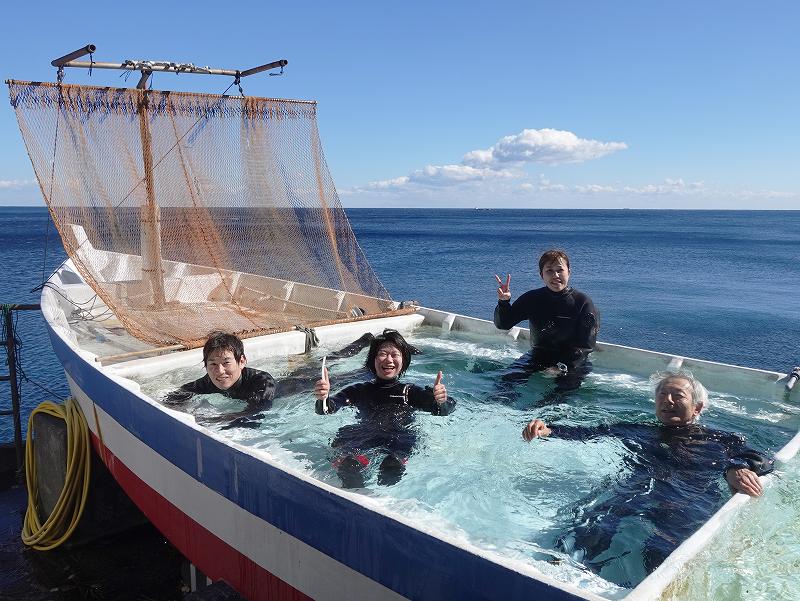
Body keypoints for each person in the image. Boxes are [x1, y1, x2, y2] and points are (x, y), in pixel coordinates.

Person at [521, 372, 773, 581]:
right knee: (585, 531)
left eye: (677, 395)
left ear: (697, 407)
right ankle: (554, 581)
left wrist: (736, 466)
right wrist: (550, 430)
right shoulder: (640, 431)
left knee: (661, 556)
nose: (668, 400)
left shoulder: (722, 440)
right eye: (662, 394)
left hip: (689, 498)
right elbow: (592, 432)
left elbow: (763, 459)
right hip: (635, 490)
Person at [314, 329, 456, 488]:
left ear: (403, 361)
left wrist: (441, 400)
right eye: (382, 354)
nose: (389, 360)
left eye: (395, 355)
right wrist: (323, 398)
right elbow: (327, 408)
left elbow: (444, 409)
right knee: (348, 467)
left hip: (398, 440)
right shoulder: (359, 390)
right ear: (373, 359)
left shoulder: (409, 392)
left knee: (391, 470)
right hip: (363, 437)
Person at [164, 331, 380, 428]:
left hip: (299, 386)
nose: (220, 371)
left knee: (348, 370)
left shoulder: (261, 381)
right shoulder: (209, 381)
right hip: (292, 377)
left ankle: (365, 342)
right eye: (212, 364)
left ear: (242, 362)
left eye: (226, 363)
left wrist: (217, 420)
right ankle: (364, 340)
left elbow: (257, 411)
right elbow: (178, 395)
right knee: (329, 359)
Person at [493, 249, 598, 403]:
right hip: (537, 356)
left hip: (572, 363)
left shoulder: (582, 302)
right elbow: (503, 324)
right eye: (549, 271)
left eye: (560, 270)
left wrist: (562, 366)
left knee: (555, 400)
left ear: (569, 271)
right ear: (541, 275)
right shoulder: (533, 299)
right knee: (503, 386)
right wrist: (503, 302)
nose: (555, 275)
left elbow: (586, 345)